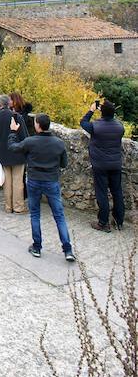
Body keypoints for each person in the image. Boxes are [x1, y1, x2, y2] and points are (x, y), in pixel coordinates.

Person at [8, 113, 76, 262]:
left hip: (34, 180)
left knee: (35, 214)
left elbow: (13, 148)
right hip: (51, 181)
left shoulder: (30, 142)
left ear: (38, 125)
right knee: (59, 216)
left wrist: (13, 132)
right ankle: (68, 250)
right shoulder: (59, 143)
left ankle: (37, 247)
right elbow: (64, 164)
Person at [80, 100, 125, 232]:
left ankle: (103, 223)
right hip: (116, 164)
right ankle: (118, 221)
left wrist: (91, 110)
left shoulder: (96, 126)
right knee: (117, 192)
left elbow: (83, 123)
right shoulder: (120, 127)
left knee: (102, 193)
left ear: (101, 111)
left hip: (100, 164)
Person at [0, 94, 28, 212]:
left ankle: (8, 206)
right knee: (17, 181)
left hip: (3, 154)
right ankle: (18, 207)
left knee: (7, 182)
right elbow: (24, 136)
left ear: (0, 104)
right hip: (17, 153)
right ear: (9, 103)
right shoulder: (16, 117)